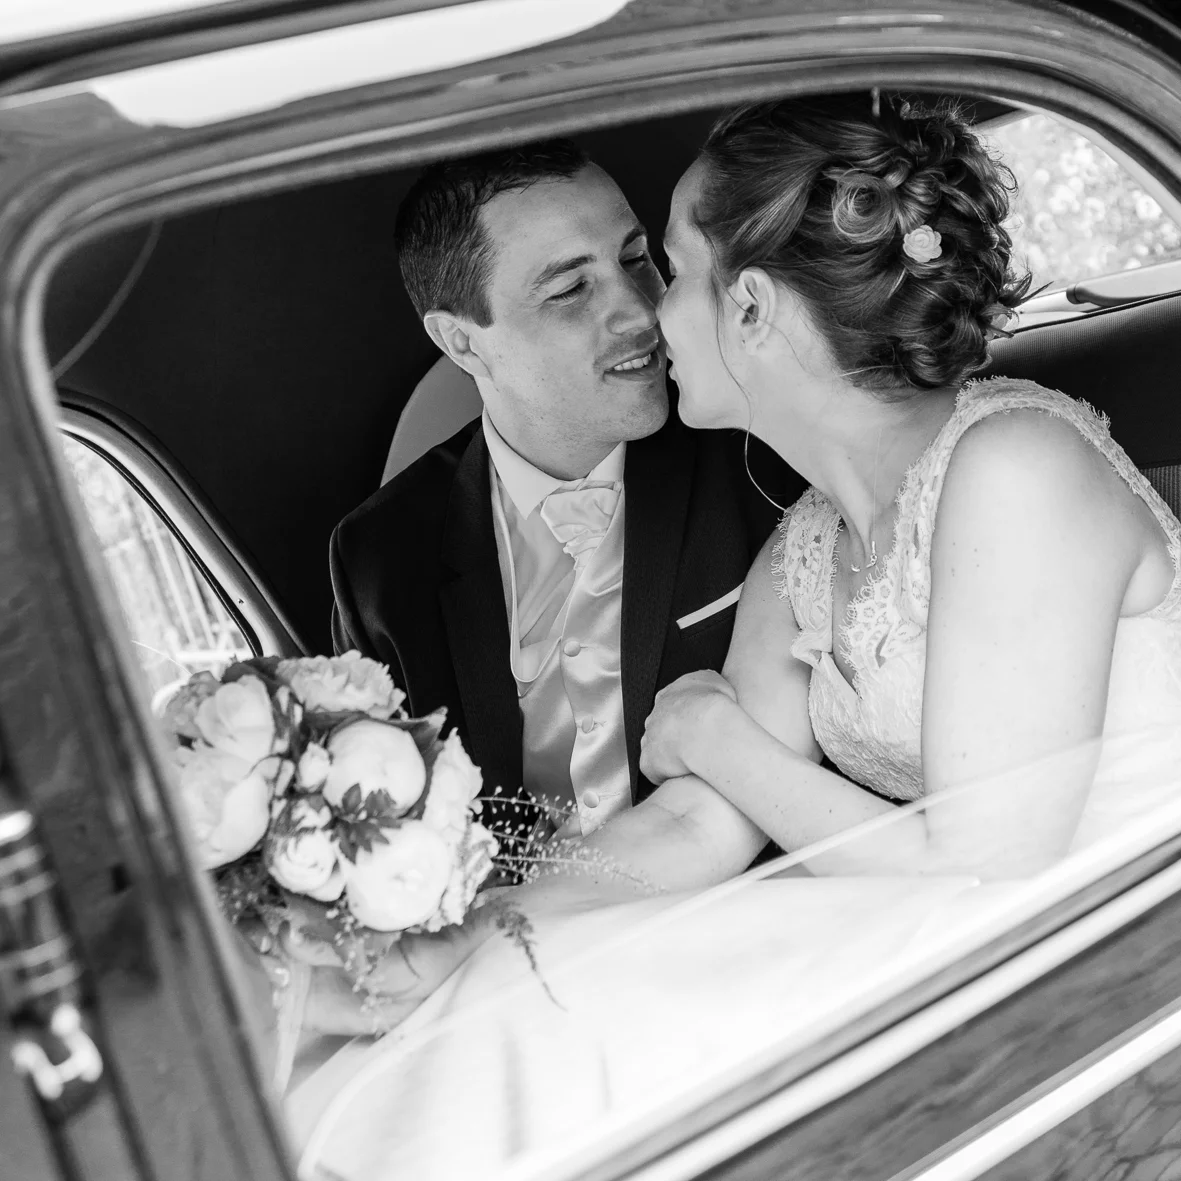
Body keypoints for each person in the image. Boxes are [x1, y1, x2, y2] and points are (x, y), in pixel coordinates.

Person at [260, 95, 1181, 1179]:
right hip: (986, 927)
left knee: (601, 1031)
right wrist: (462, 932)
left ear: (747, 307)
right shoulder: (801, 552)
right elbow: (695, 828)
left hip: (1123, 945)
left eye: (669, 273)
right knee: (523, 993)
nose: (651, 316)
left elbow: (992, 857)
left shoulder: (1014, 467)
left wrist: (719, 738)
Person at [329, 141, 796, 848]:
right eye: (570, 290)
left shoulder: (759, 448)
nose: (642, 314)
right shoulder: (378, 560)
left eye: (636, 259)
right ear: (463, 343)